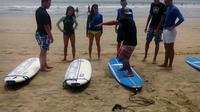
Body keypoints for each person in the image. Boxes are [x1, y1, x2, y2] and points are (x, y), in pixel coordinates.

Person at [97, 8, 137, 77]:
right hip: (128, 42)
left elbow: (113, 22)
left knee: (122, 57)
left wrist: (102, 23)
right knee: (120, 55)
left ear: (122, 14)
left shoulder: (125, 19)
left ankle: (130, 72)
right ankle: (124, 67)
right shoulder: (130, 19)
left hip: (130, 43)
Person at [160, 0, 184, 69]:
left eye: (166, 1)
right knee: (166, 48)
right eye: (164, 1)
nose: (165, 3)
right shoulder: (168, 8)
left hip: (170, 31)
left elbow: (181, 19)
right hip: (165, 30)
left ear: (170, 1)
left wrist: (174, 26)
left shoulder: (175, 9)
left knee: (170, 48)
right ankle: (165, 63)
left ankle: (170, 65)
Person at [35, 0, 53, 72]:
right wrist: (50, 36)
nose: (50, 5)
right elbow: (46, 26)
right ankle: (42, 67)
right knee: (43, 51)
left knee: (44, 51)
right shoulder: (43, 13)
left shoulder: (39, 10)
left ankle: (45, 65)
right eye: (49, 3)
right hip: (43, 34)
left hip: (39, 33)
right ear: (44, 3)